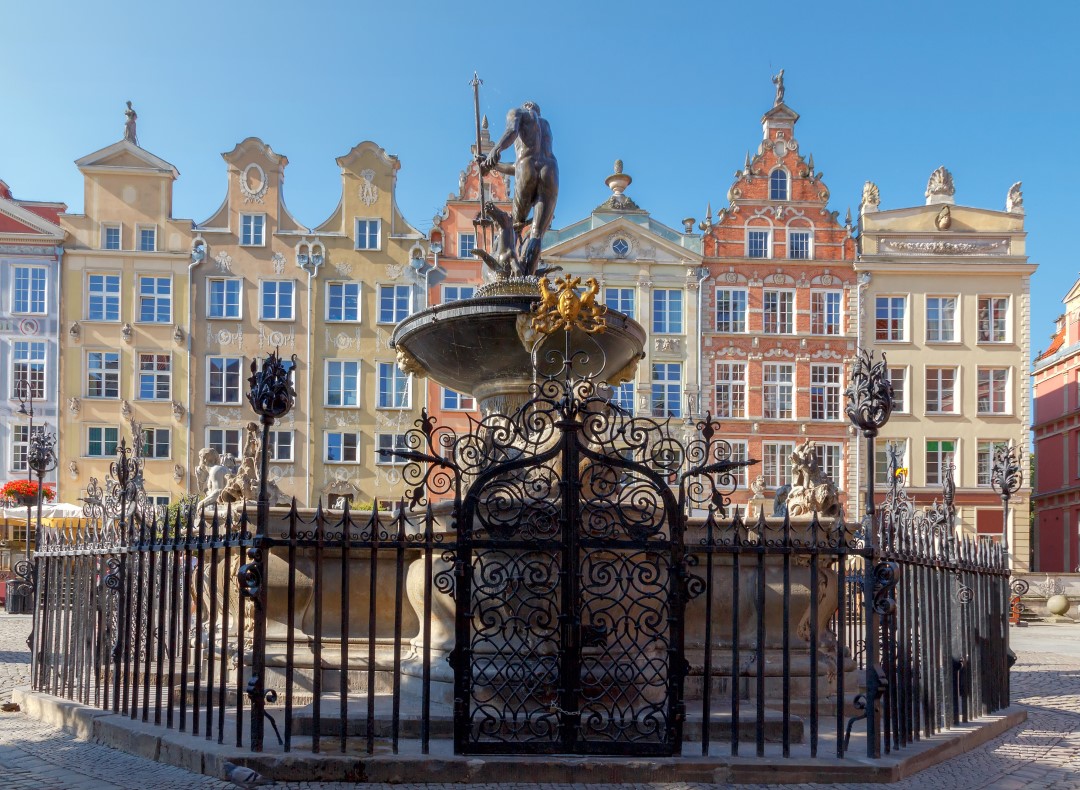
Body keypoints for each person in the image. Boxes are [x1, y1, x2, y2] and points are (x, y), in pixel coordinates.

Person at [480, 101, 559, 276]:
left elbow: (512, 133)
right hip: (551, 171)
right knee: (537, 234)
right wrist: (494, 166)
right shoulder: (546, 125)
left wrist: (496, 150)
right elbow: (518, 167)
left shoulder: (517, 112)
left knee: (514, 225)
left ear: (526, 106)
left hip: (526, 167)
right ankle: (528, 282)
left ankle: (505, 270)